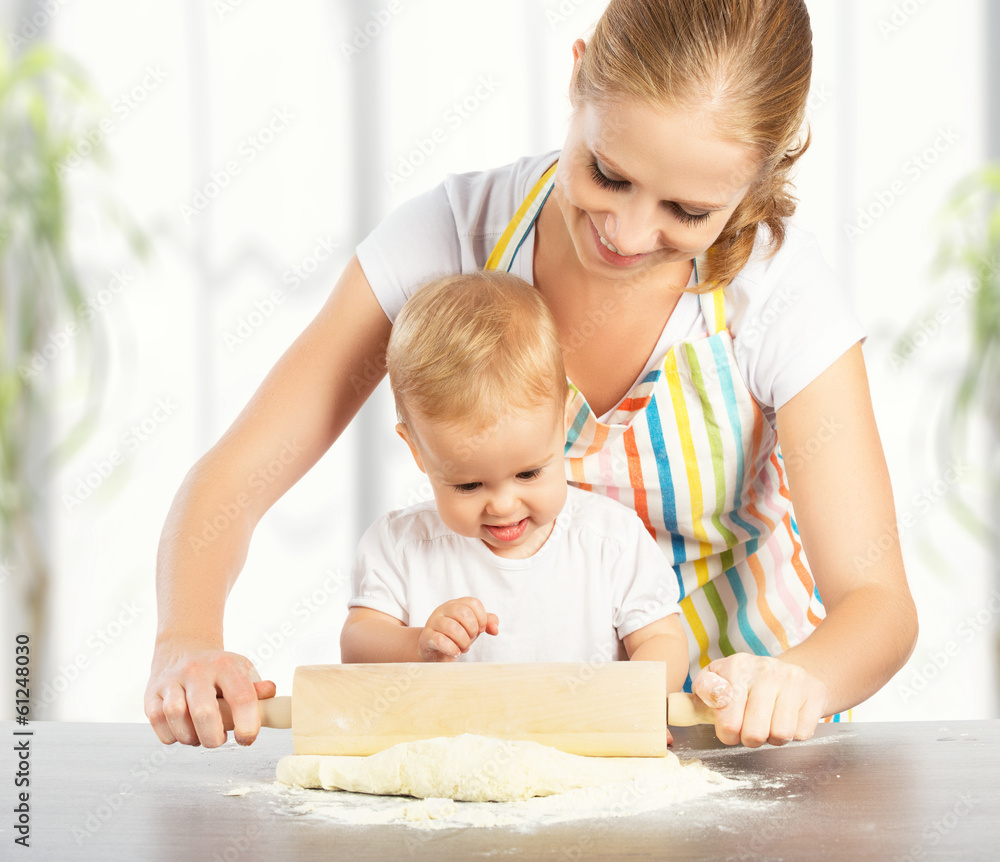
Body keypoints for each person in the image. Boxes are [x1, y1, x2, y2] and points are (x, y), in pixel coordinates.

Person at [144, 0, 917, 751]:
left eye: (686, 210)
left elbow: (876, 603)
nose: (627, 232)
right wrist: (185, 641)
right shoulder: (453, 237)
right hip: (519, 741)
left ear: (756, 182)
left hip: (737, 744)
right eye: (608, 174)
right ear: (578, 79)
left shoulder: (778, 294)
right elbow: (233, 480)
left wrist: (796, 681)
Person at [339, 270, 689, 691]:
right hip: (448, 753)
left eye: (528, 473)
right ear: (417, 450)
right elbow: (357, 644)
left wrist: (634, 698)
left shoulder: (612, 542)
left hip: (584, 752)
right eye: (468, 485)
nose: (502, 505)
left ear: (563, 423)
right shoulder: (400, 547)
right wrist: (419, 644)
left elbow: (662, 639)